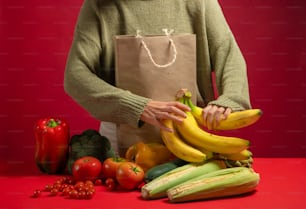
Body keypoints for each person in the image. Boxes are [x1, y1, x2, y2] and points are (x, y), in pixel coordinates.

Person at [64, 0, 251, 154]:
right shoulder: (98, 6)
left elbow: (228, 55)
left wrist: (231, 99)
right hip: (120, 143)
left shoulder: (200, 3)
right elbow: (75, 76)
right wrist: (136, 106)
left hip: (192, 138)